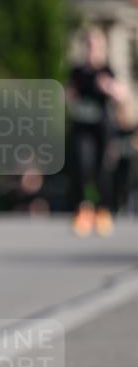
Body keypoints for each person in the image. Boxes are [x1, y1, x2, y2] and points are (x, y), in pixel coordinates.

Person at [66, 26, 127, 237]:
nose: (93, 50)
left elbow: (122, 95)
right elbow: (68, 97)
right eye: (89, 45)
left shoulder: (107, 71)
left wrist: (110, 88)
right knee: (83, 167)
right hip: (82, 127)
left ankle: (102, 211)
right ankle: (83, 210)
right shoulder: (77, 72)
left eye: (96, 45)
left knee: (103, 170)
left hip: (102, 128)